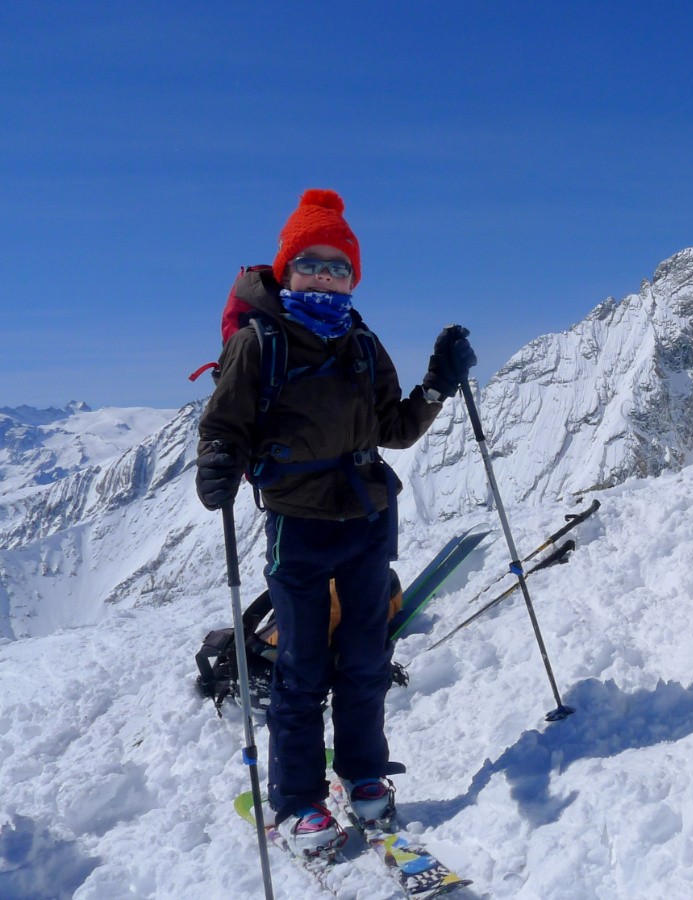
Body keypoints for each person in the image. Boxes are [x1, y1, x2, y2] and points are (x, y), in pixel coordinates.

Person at [195, 188, 476, 860]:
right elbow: (226, 421)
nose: (325, 276)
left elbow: (394, 429)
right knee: (300, 667)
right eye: (312, 264)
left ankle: (363, 774)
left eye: (338, 267)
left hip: (369, 519)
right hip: (299, 524)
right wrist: (218, 460)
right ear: (286, 268)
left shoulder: (361, 341)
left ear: (353, 276)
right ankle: (297, 801)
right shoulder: (259, 344)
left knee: (365, 661)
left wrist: (438, 382)